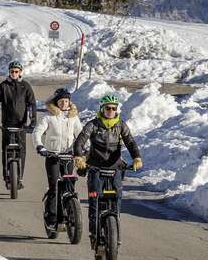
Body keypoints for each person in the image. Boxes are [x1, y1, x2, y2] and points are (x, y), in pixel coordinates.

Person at [73, 93, 142, 249]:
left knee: (117, 199)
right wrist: (79, 157)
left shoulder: (121, 125)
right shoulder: (93, 124)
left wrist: (136, 157)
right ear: (102, 109)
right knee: (95, 201)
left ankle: (115, 234)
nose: (110, 111)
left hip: (115, 168)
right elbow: (80, 140)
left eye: (113, 108)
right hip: (95, 168)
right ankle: (93, 234)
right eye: (107, 108)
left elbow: (130, 142)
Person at [33, 87, 83, 227]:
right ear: (56, 102)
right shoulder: (48, 116)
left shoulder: (73, 117)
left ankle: (71, 209)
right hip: (53, 156)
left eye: (66, 101)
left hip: (68, 156)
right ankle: (51, 217)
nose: (64, 104)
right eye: (61, 101)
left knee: (69, 185)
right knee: (54, 186)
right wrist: (40, 146)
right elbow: (37, 132)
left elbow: (81, 135)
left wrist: (85, 147)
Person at [0, 61, 37, 189]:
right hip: (7, 125)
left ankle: (19, 178)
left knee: (22, 151)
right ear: (9, 72)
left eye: (16, 71)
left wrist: (32, 121)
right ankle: (6, 176)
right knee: (6, 151)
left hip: (21, 125)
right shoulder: (3, 86)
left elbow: (31, 104)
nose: (14, 74)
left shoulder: (26, 86)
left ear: (20, 72)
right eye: (12, 71)